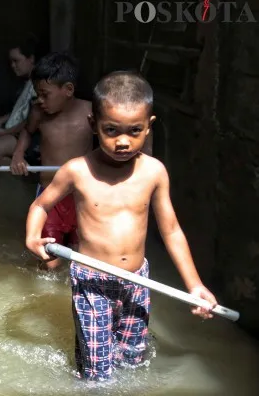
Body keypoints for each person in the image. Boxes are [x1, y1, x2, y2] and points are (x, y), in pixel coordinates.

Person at [25, 71, 218, 381]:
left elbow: (171, 231)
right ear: (93, 125)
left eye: (135, 131)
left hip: (137, 281)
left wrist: (194, 285)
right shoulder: (77, 170)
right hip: (92, 281)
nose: (123, 141)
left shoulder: (154, 172)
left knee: (132, 360)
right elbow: (40, 205)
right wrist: (33, 236)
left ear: (149, 127)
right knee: (98, 372)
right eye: (111, 130)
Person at [10, 52, 94, 270]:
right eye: (38, 94)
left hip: (82, 197)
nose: (40, 100)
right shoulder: (38, 112)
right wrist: (18, 155)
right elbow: (27, 133)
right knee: (48, 261)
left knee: (82, 257)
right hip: (49, 195)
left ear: (68, 90)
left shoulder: (91, 112)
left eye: (45, 94)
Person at [0, 35, 39, 167]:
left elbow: (33, 119)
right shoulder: (25, 83)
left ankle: (23, 180)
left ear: (31, 59)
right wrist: (0, 121)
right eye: (10, 62)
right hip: (15, 129)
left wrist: (5, 132)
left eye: (16, 61)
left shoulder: (39, 85)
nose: (13, 66)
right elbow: (21, 110)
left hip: (31, 136)